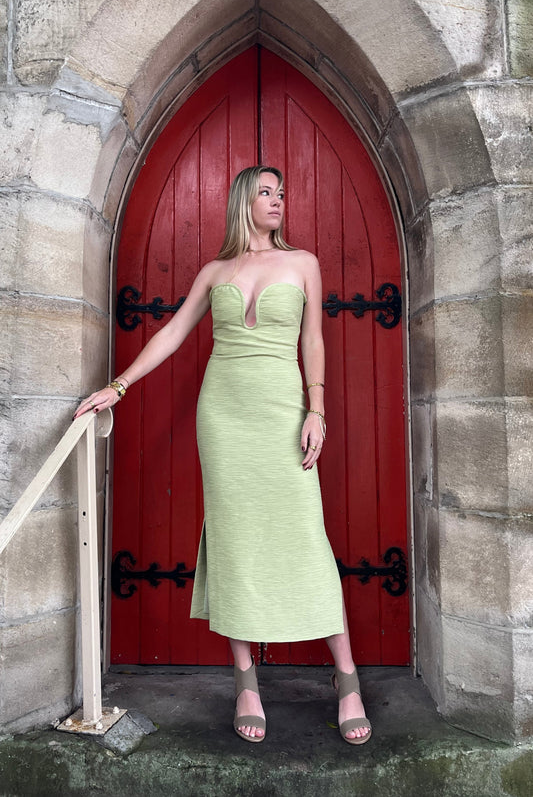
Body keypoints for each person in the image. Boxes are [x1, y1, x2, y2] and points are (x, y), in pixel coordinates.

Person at [74, 166, 371, 746]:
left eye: (282, 192)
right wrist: (120, 385)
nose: (278, 199)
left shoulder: (303, 263)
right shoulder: (216, 272)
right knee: (233, 536)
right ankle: (246, 682)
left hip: (283, 412)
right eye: (267, 192)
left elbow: (313, 340)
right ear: (243, 201)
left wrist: (317, 411)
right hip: (224, 418)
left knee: (306, 535)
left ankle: (347, 680)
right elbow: (172, 333)